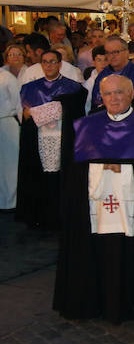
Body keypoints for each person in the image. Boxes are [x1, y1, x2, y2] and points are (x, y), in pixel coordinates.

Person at [53, 75, 134, 322]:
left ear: (131, 94)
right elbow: (74, 177)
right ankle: (93, 302)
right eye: (108, 94)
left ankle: (132, 303)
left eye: (120, 92)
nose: (114, 98)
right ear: (100, 97)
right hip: (94, 211)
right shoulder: (85, 126)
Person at [17, 49, 86, 228]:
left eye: (53, 62)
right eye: (45, 62)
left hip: (63, 140)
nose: (49, 65)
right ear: (41, 64)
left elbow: (74, 114)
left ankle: (61, 216)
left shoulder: (73, 87)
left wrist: (36, 114)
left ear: (60, 64)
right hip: (39, 140)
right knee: (40, 177)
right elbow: (25, 117)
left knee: (60, 177)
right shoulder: (30, 87)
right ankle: (40, 216)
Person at [91, 37, 134, 112]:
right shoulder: (101, 76)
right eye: (108, 53)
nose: (112, 56)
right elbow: (95, 104)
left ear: (127, 52)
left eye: (116, 52)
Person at [0, 67, 20, 211]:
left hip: (7, 122)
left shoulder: (7, 78)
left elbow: (17, 102)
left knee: (10, 165)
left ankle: (11, 201)